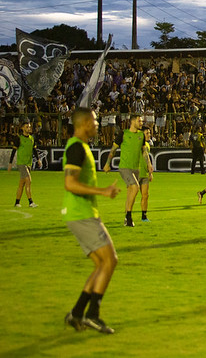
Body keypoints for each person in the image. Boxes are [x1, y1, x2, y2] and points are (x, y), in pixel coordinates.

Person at [62, 107, 121, 334]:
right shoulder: (76, 147)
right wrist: (103, 191)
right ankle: (93, 315)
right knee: (110, 260)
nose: (97, 124)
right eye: (95, 121)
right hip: (82, 214)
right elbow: (70, 184)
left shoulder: (81, 146)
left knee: (101, 264)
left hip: (79, 214)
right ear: (85, 122)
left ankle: (77, 313)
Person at [103, 114, 145, 228]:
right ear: (132, 122)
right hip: (124, 167)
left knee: (130, 192)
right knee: (135, 187)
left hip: (136, 168)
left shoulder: (142, 135)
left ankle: (126, 217)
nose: (141, 123)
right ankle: (129, 216)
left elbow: (144, 151)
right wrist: (107, 164)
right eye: (139, 121)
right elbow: (113, 149)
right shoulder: (123, 134)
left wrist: (149, 165)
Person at [8, 120, 41, 208]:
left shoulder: (31, 138)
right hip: (22, 163)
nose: (29, 128)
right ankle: (31, 202)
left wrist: (38, 160)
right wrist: (10, 163)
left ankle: (17, 202)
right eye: (27, 127)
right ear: (22, 128)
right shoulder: (18, 138)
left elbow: (34, 150)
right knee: (29, 181)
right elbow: (14, 151)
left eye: (29, 127)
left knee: (21, 184)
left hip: (28, 163)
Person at [138, 126, 154, 222]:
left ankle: (144, 216)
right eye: (147, 133)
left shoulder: (147, 145)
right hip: (135, 172)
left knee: (145, 195)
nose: (149, 135)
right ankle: (128, 216)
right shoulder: (136, 144)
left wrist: (150, 173)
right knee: (132, 195)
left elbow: (146, 159)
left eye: (149, 133)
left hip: (144, 173)